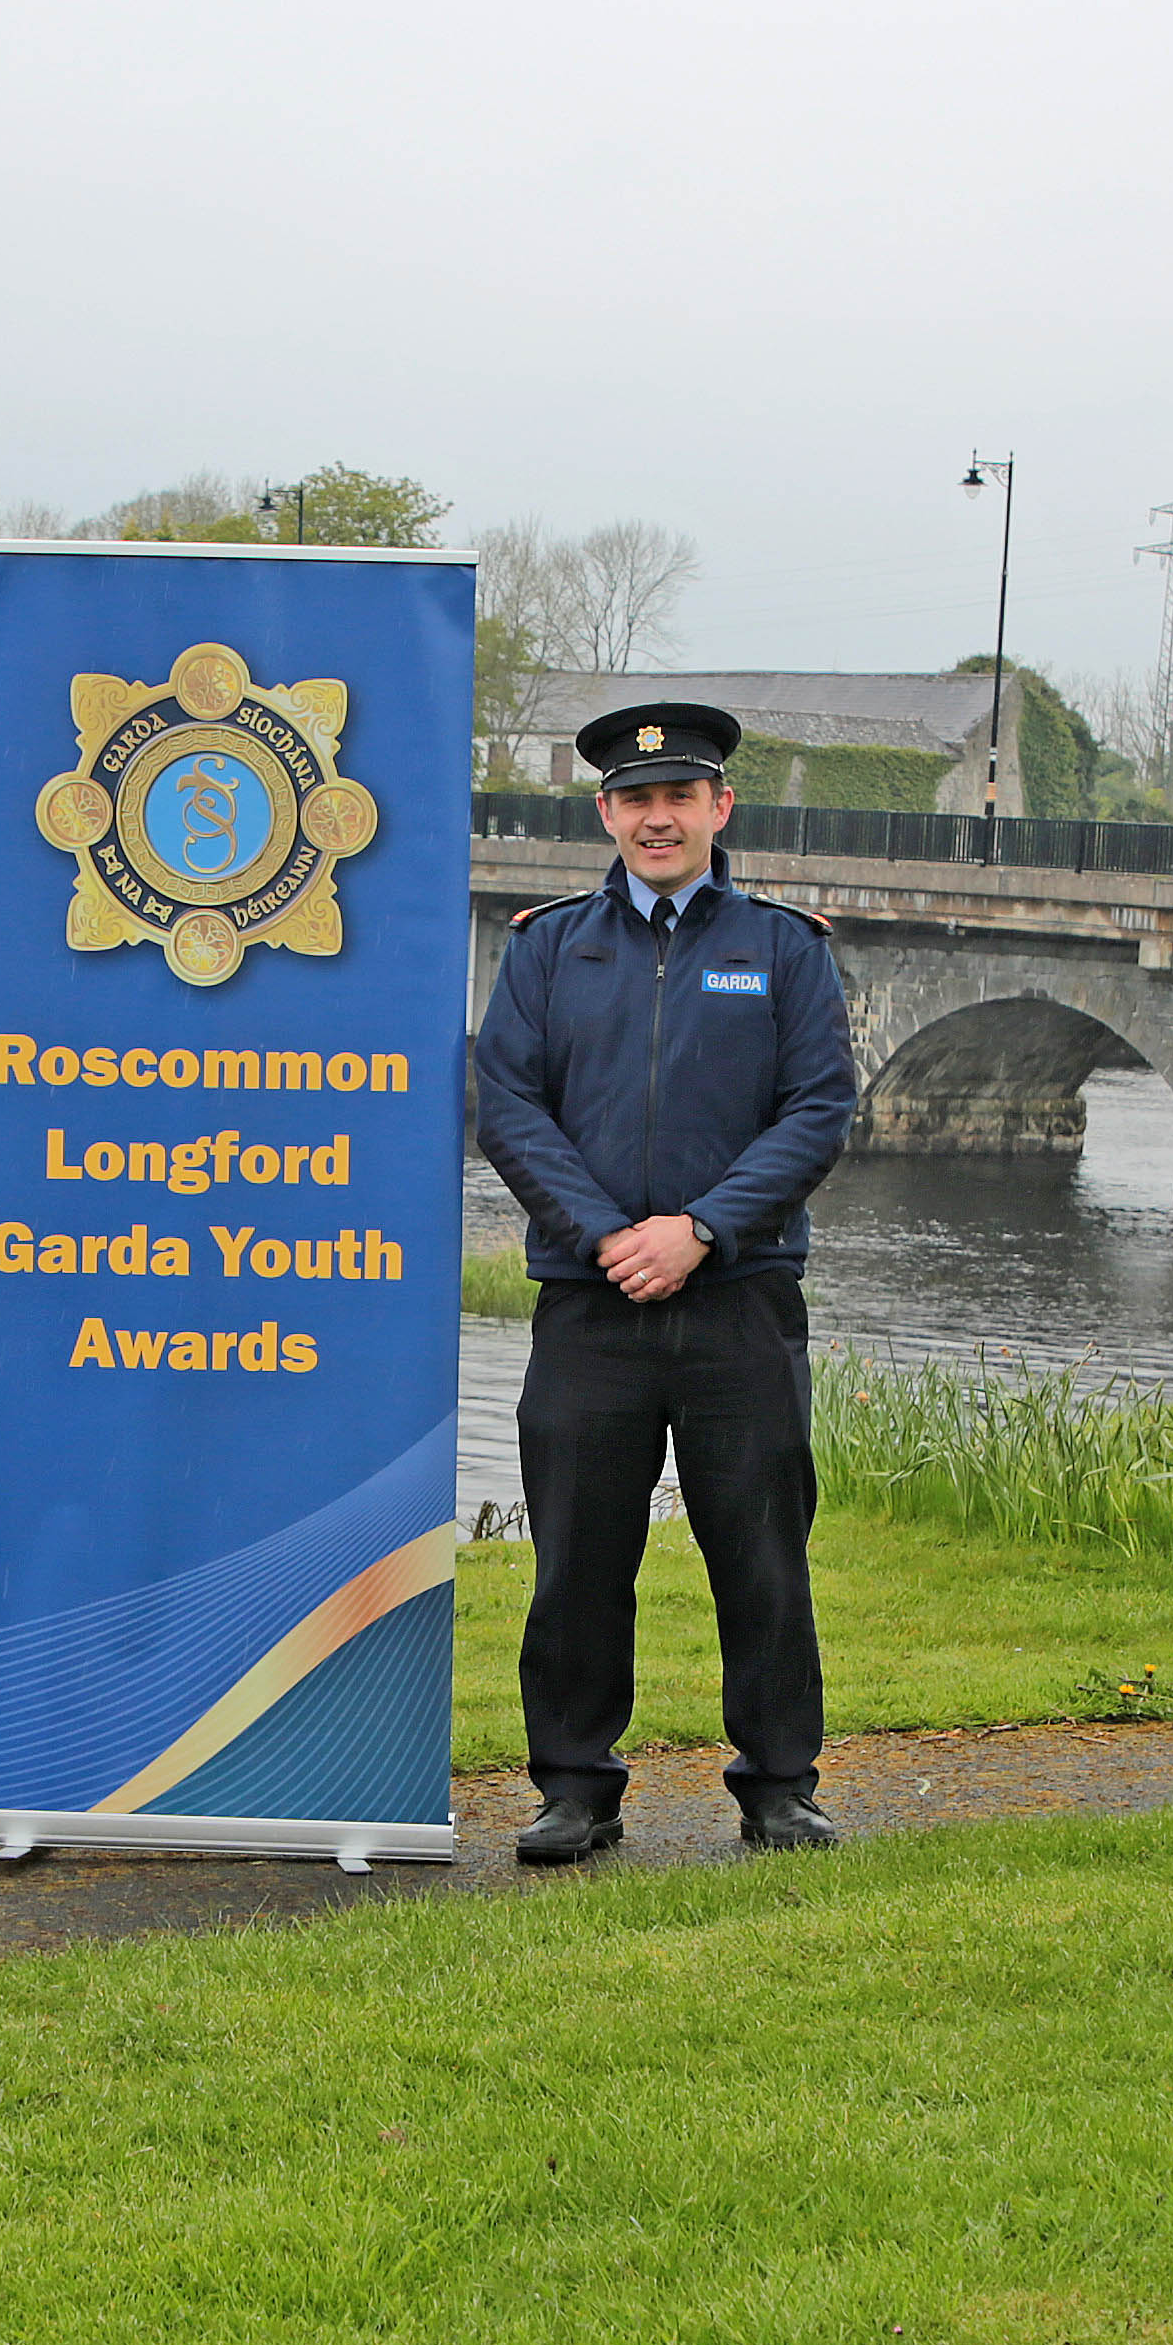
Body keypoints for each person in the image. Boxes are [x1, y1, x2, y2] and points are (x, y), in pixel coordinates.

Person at [468, 697, 862, 1865]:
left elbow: (818, 1112)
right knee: (580, 1561)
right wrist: (606, 1236)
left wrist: (698, 1229)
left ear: (718, 808)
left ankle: (779, 1785)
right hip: (591, 1305)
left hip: (738, 1300)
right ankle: (576, 1788)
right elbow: (510, 1107)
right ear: (605, 812)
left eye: (678, 797)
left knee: (762, 1556)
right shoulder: (547, 949)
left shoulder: (785, 949)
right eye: (635, 800)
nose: (656, 818)